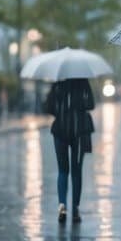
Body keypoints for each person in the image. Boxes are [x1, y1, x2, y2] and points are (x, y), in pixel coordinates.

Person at [43, 77, 96, 224]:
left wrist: (61, 110)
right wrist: (79, 105)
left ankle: (62, 206)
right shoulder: (83, 82)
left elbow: (48, 107)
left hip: (60, 129)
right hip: (79, 130)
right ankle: (75, 209)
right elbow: (91, 104)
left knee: (63, 170)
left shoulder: (58, 84)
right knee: (76, 171)